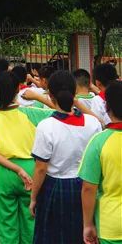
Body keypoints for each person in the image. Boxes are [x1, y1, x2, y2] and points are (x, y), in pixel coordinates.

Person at [29, 70, 101, 244]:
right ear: (74, 92)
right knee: (83, 235)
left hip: (56, 187)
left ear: (50, 95)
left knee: (54, 237)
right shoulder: (92, 123)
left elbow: (41, 168)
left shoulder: (46, 126)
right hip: (87, 185)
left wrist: (33, 198)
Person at [0, 71, 53, 244]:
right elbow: (63, 111)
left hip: (4, 172)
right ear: (18, 89)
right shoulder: (31, 113)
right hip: (32, 170)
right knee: (31, 220)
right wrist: (40, 97)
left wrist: (16, 169)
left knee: (7, 224)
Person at [79, 80, 122, 244]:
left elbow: (89, 188)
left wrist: (87, 224)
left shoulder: (98, 142)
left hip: (111, 225)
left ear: (107, 107)